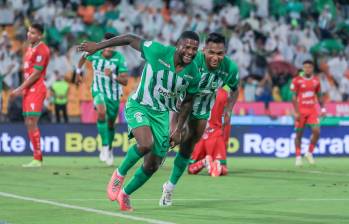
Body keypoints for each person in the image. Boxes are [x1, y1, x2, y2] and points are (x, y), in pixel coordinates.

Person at [77, 31, 200, 211]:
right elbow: (129, 38)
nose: (190, 52)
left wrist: (179, 128)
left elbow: (188, 101)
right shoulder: (158, 51)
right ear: (177, 45)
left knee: (153, 165)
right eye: (187, 47)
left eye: (194, 49)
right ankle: (119, 174)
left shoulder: (194, 72)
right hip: (139, 105)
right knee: (145, 143)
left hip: (161, 115)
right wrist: (98, 45)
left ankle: (125, 194)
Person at [159, 32, 239, 207]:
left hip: (202, 111)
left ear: (225, 53)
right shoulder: (193, 62)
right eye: (211, 52)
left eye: (220, 53)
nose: (215, 57)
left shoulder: (230, 68)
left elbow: (235, 88)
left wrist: (229, 109)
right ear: (204, 50)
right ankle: (164, 144)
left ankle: (169, 187)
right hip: (181, 104)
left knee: (187, 148)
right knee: (176, 136)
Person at [76, 33, 129, 166]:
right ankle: (104, 146)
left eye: (111, 46)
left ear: (114, 47)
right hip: (98, 90)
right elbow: (82, 58)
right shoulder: (95, 53)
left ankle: (109, 149)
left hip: (114, 95)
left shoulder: (119, 59)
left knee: (111, 124)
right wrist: (78, 72)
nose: (108, 49)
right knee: (100, 111)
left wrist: (113, 76)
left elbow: (125, 81)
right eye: (106, 45)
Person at [9, 23, 50, 167]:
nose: (29, 34)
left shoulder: (42, 50)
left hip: (36, 89)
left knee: (32, 121)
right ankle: (36, 157)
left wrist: (20, 88)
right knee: (28, 122)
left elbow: (36, 73)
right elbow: (27, 70)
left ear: (40, 35)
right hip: (28, 90)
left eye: (33, 33)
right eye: (29, 31)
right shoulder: (29, 49)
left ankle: (38, 158)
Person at [188, 86, 232, 177]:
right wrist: (226, 140)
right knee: (223, 168)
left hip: (200, 135)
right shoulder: (224, 93)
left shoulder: (197, 90)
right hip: (215, 135)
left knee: (191, 168)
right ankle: (217, 164)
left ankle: (204, 162)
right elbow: (227, 120)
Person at [291, 60, 325, 167]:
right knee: (299, 135)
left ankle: (309, 153)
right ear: (303, 68)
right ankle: (298, 157)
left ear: (312, 68)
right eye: (305, 67)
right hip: (301, 112)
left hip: (312, 111)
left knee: (317, 131)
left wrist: (323, 109)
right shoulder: (297, 80)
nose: (307, 69)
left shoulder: (316, 81)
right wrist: (296, 112)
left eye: (309, 67)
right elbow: (293, 97)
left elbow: (319, 96)